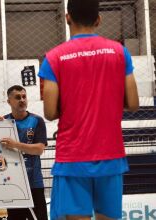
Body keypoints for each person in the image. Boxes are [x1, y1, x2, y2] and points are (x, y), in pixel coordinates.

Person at [38, 0, 139, 219]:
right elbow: (133, 103)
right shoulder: (120, 52)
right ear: (99, 19)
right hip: (110, 154)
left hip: (73, 157)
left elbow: (50, 112)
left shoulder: (54, 57)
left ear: (67, 18)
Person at [0, 85, 48, 220]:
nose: (22, 100)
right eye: (18, 97)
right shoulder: (3, 122)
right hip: (13, 183)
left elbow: (39, 149)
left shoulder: (37, 121)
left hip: (34, 183)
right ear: (9, 102)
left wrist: (16, 145)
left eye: (24, 97)